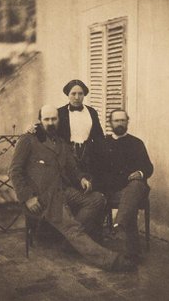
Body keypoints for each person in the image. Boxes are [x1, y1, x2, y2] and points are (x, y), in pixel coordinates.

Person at [9, 104, 136, 272]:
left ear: (59, 120)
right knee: (73, 228)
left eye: (54, 119)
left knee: (97, 200)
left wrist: (82, 178)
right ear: (40, 121)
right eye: (46, 119)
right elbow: (14, 171)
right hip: (43, 197)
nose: (50, 123)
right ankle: (112, 261)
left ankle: (69, 243)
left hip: (63, 191)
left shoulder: (61, 143)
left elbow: (72, 168)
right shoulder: (28, 140)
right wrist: (27, 197)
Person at [94, 109, 154, 265]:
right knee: (129, 204)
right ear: (110, 123)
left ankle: (119, 222)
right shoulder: (102, 144)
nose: (120, 123)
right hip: (113, 191)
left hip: (134, 188)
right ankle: (132, 251)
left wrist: (140, 173)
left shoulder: (136, 143)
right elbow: (98, 172)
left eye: (122, 120)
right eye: (116, 121)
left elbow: (148, 167)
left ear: (127, 121)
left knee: (134, 188)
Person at [32, 80, 104, 175]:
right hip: (66, 153)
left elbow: (98, 135)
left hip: (88, 155)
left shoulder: (91, 112)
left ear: (84, 95)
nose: (77, 97)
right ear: (68, 95)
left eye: (80, 94)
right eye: (73, 94)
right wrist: (34, 128)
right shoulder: (60, 112)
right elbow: (48, 127)